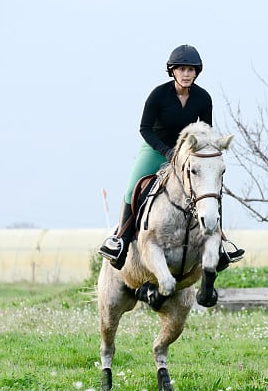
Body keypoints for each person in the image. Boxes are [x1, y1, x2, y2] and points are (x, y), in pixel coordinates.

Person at [99, 44, 244, 271]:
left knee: (209, 186)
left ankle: (221, 243)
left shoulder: (203, 98)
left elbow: (205, 131)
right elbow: (145, 128)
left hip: (187, 152)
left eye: (191, 70)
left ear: (197, 73)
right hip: (156, 148)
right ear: (172, 71)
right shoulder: (158, 95)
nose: (186, 74)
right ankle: (121, 240)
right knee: (131, 189)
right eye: (182, 69)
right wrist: (166, 151)